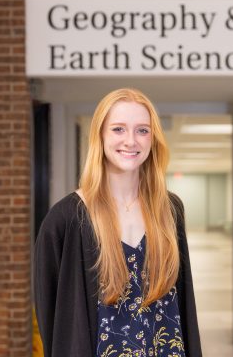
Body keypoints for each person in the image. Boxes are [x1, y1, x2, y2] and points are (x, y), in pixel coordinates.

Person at [34, 88, 202, 357]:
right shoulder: (66, 218)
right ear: (100, 135)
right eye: (118, 129)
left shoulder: (170, 209)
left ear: (153, 138)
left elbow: (183, 301)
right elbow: (50, 313)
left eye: (142, 130)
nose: (131, 141)